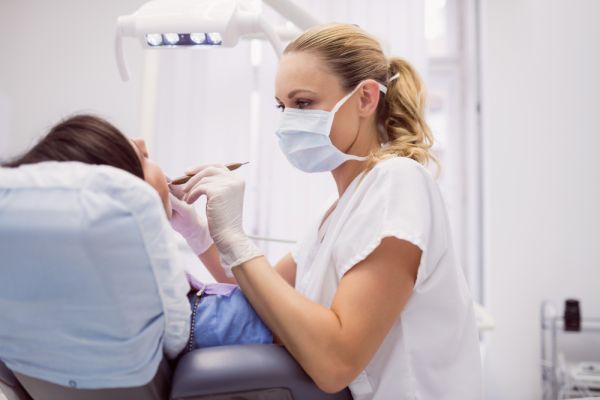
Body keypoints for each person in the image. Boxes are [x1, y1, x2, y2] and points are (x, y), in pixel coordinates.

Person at [173, 23, 483, 399]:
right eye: (281, 106)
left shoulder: (397, 182)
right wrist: (200, 232)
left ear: (366, 99)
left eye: (303, 103)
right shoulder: (341, 208)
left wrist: (235, 237)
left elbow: (336, 362)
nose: (287, 121)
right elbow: (264, 294)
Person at [1, 114, 272, 354]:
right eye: (143, 158)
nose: (143, 142)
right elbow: (286, 318)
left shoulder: (48, 325)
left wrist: (200, 238)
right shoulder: (211, 319)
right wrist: (232, 239)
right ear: (135, 200)